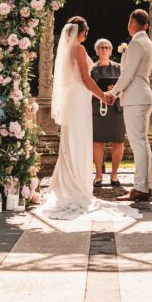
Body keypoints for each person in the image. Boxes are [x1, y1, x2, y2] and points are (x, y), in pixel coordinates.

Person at [39, 17, 115, 219]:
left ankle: (70, 182)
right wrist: (103, 96)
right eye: (86, 30)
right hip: (80, 97)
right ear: (81, 31)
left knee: (72, 140)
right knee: (79, 140)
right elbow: (86, 78)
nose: (87, 33)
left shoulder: (67, 50)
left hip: (74, 97)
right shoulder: (79, 49)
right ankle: (77, 186)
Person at [107, 9, 152, 202]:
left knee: (138, 144)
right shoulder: (147, 42)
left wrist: (113, 93)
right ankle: (146, 186)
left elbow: (127, 74)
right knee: (143, 143)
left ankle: (140, 188)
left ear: (131, 22)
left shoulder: (137, 43)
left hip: (136, 99)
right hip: (139, 95)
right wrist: (118, 88)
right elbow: (131, 76)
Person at [91, 39, 125, 188]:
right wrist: (102, 93)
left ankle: (114, 175)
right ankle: (98, 175)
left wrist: (115, 90)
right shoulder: (91, 70)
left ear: (111, 51)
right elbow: (87, 87)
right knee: (98, 142)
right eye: (101, 47)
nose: (104, 50)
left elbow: (126, 84)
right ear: (97, 51)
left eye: (106, 47)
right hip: (98, 108)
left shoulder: (119, 68)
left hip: (116, 108)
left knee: (118, 141)